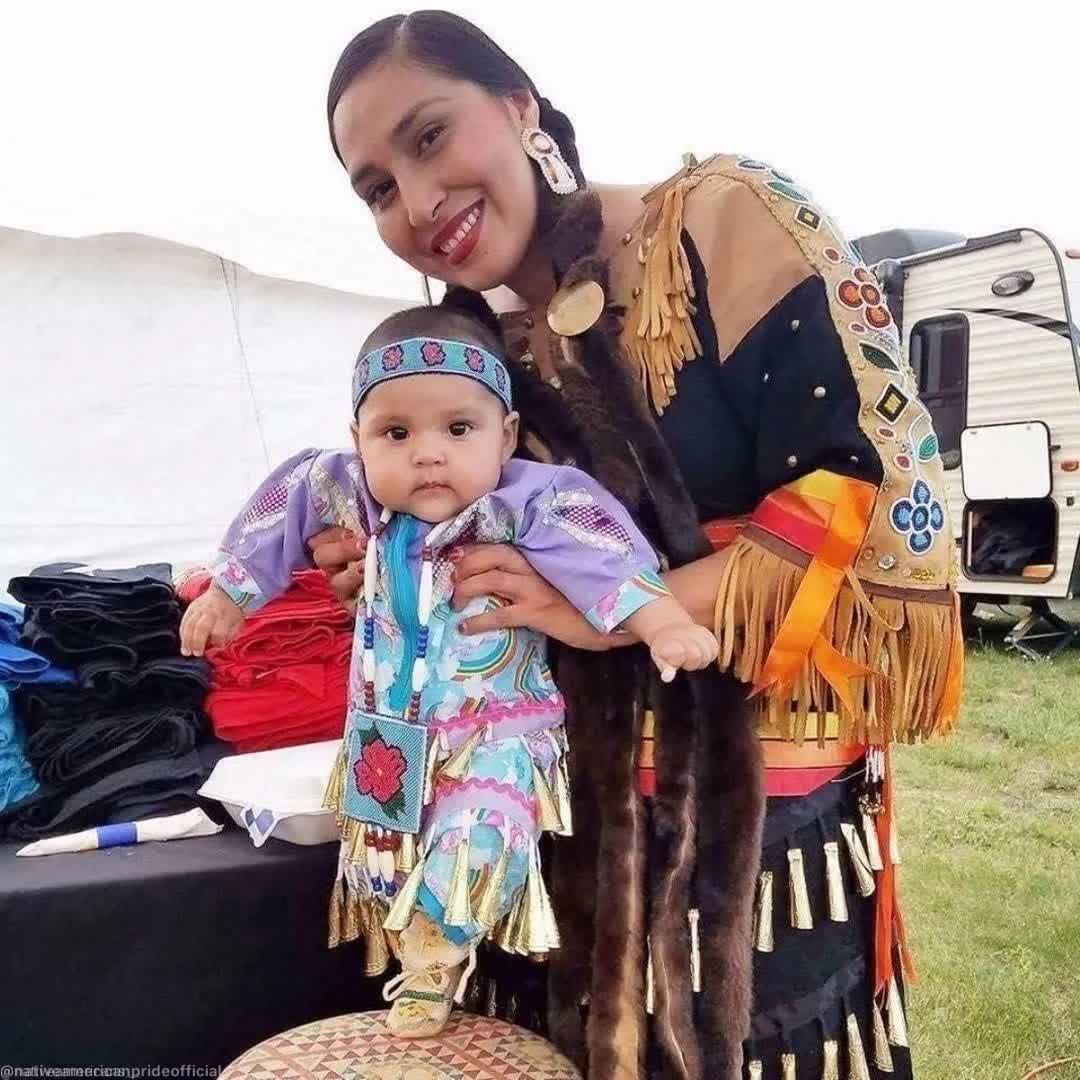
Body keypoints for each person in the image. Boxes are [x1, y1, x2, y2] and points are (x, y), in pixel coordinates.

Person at [312, 11, 965, 1078]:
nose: (418, 202)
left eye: (429, 138)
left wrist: (618, 610)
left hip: (743, 829)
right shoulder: (466, 352)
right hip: (537, 822)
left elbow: (877, 489)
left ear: (519, 107)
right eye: (377, 188)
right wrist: (395, 560)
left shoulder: (724, 220)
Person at [180, 301, 718, 1038]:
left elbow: (605, 559)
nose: (427, 453)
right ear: (358, 442)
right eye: (396, 433)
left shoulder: (532, 501)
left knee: (482, 832)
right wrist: (228, 594)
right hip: (387, 733)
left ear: (507, 436)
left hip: (495, 728)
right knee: (387, 856)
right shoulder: (347, 494)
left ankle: (437, 949)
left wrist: (663, 622)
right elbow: (279, 513)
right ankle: (422, 966)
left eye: (458, 429)